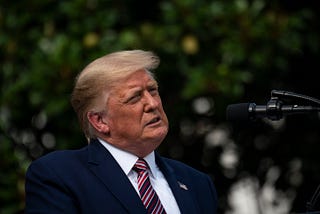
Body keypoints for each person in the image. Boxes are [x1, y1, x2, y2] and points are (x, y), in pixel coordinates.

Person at [25, 50, 218, 214]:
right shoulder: (59, 176)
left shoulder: (197, 183)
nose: (153, 104)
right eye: (134, 98)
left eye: (152, 90)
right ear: (100, 121)